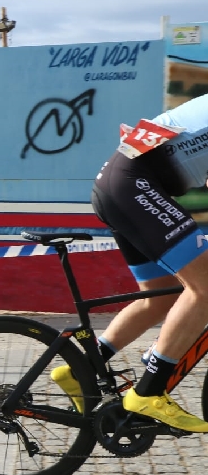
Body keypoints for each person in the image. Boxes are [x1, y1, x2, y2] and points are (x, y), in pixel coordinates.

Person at [52, 93, 208, 432]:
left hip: (120, 185)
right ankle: (149, 393)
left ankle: (82, 368)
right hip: (132, 185)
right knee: (205, 287)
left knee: (162, 294)